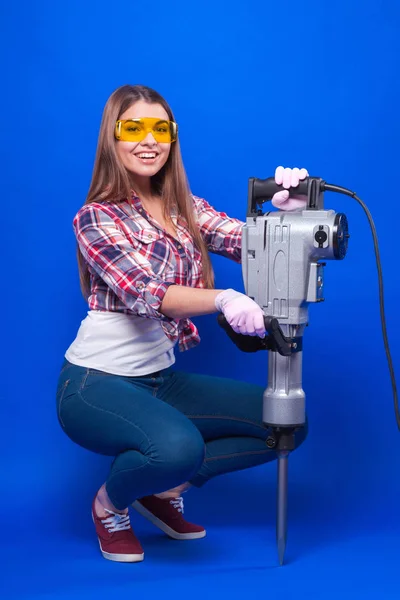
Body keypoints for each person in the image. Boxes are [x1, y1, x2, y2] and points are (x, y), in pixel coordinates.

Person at [55, 84, 309, 564]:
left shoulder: (183, 207)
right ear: (112, 137)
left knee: (286, 423)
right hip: (95, 383)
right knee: (178, 447)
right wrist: (224, 298)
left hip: (160, 380)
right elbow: (146, 292)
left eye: (160, 128)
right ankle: (110, 506)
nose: (148, 140)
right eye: (134, 127)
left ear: (172, 138)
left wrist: (286, 217)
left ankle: (161, 490)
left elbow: (244, 240)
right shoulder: (95, 217)